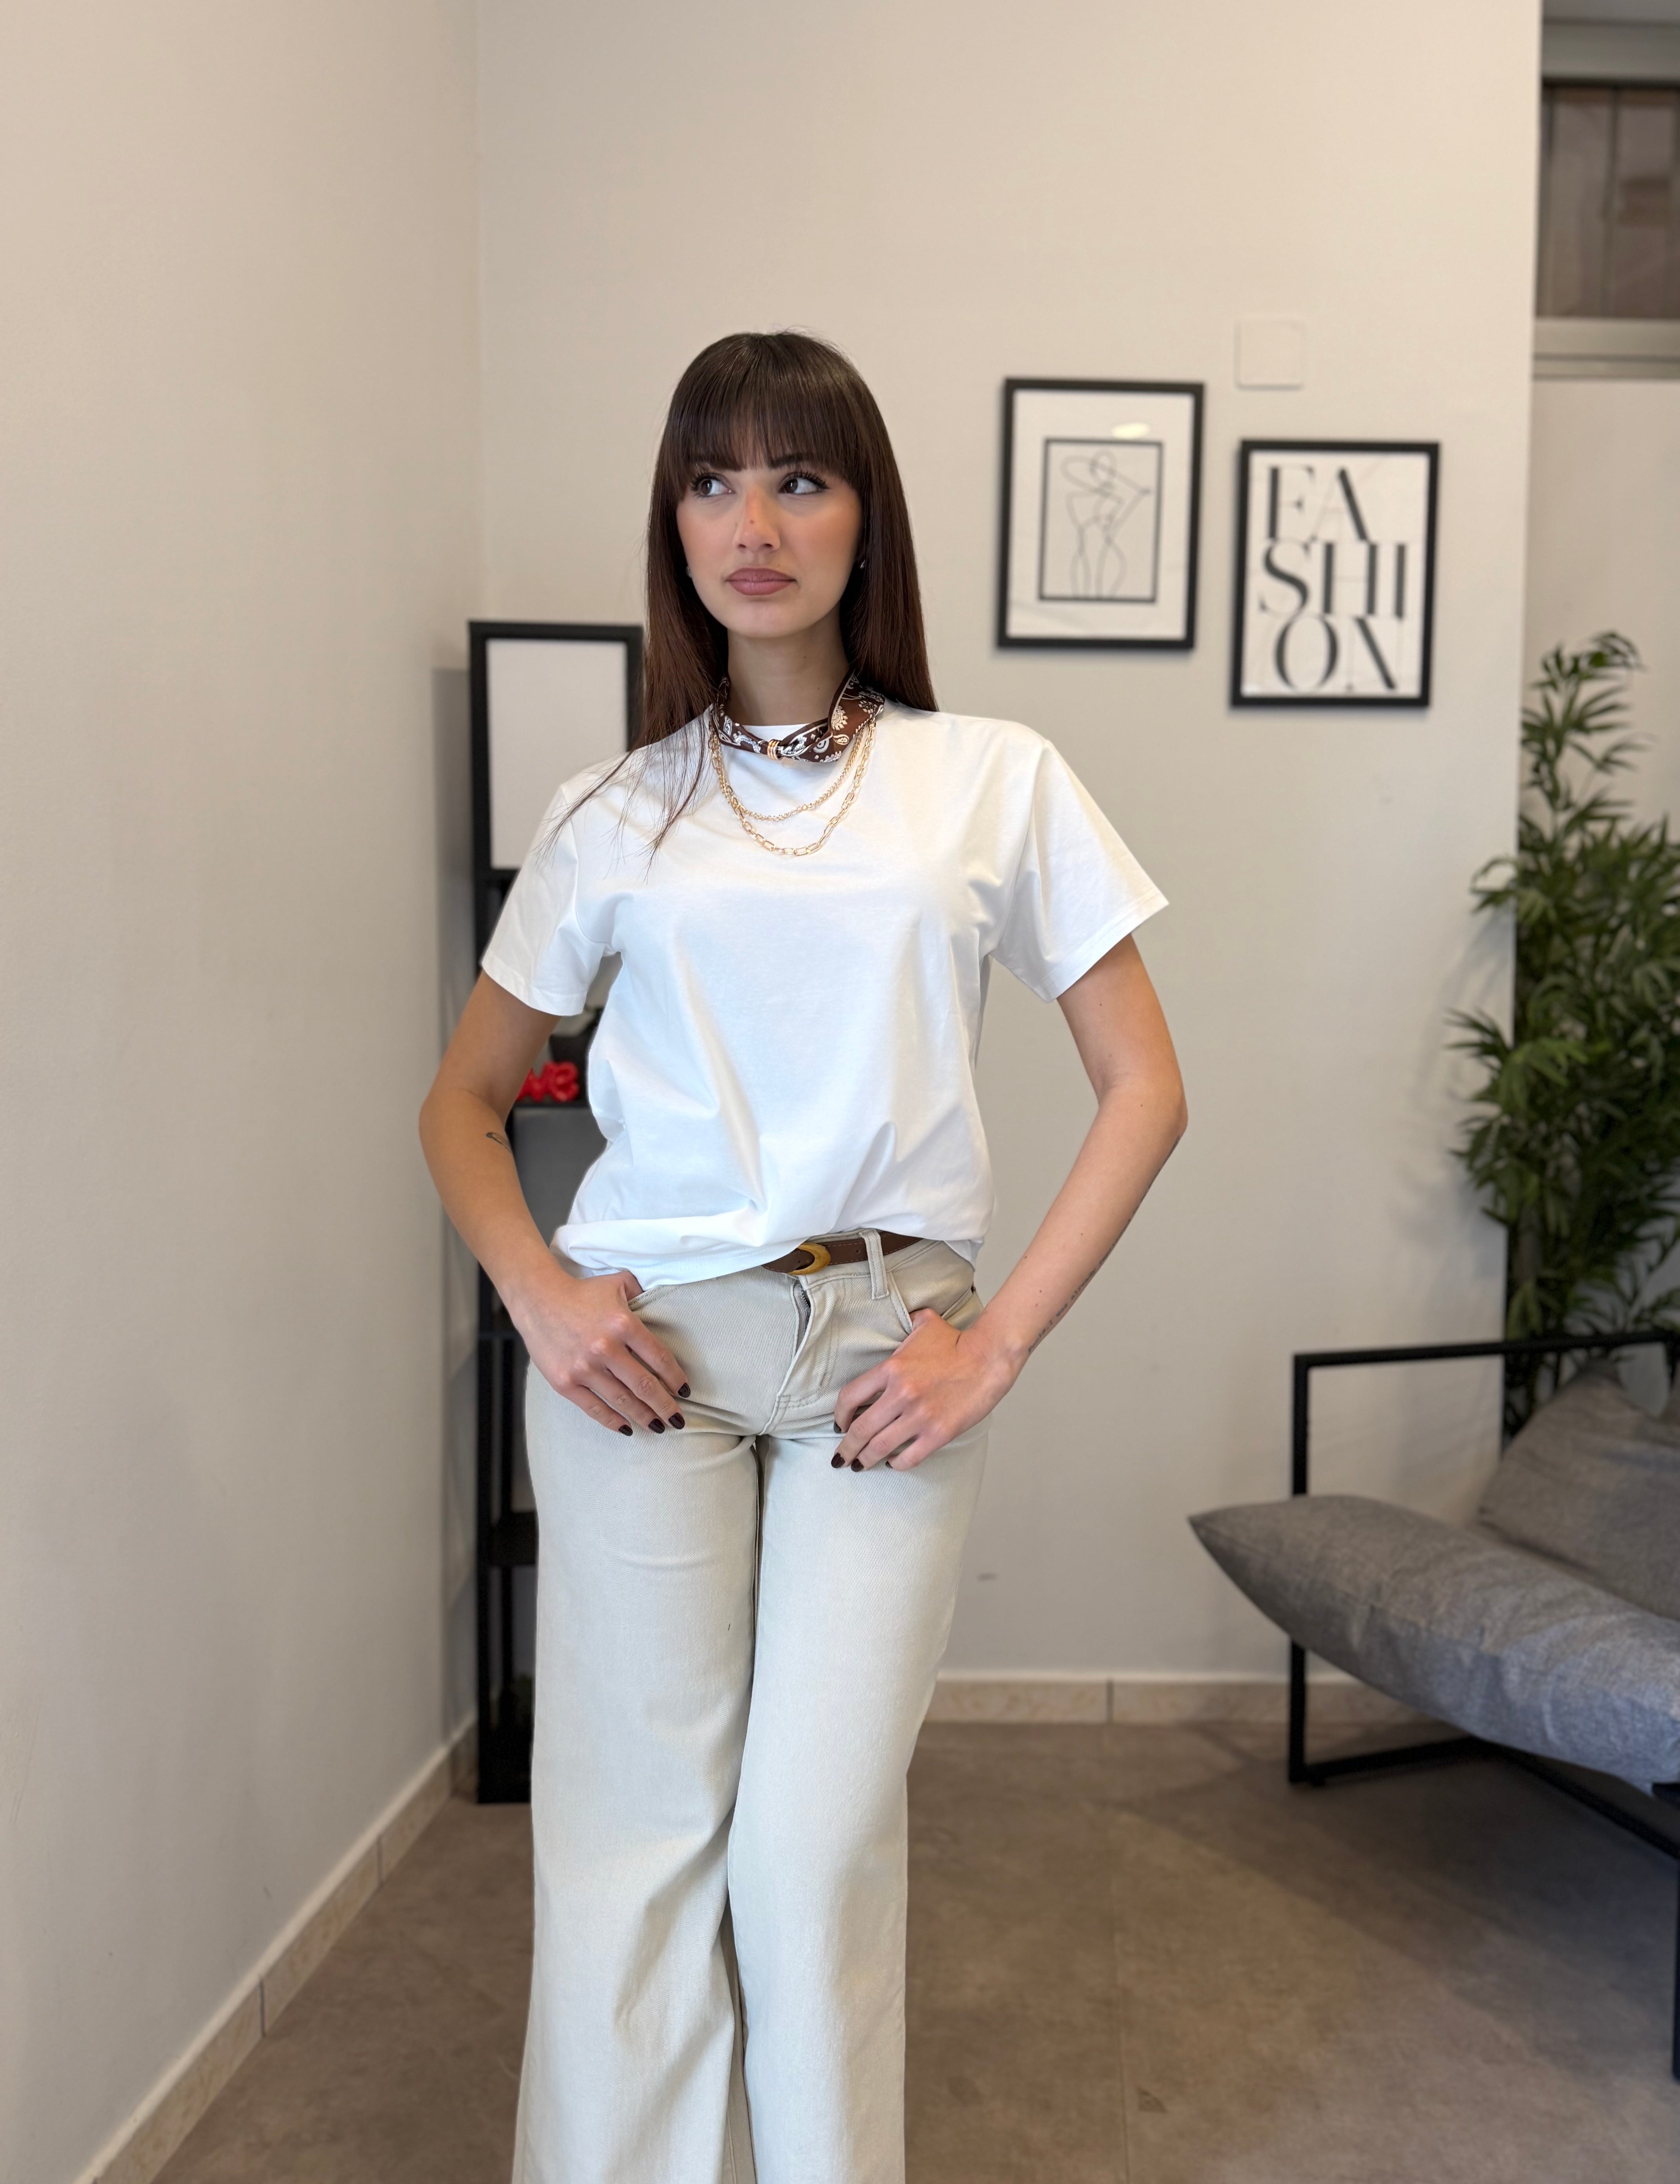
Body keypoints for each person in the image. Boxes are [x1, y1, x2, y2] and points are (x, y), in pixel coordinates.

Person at [419, 329, 1186, 2184]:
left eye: (798, 478)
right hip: (647, 1355)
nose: (751, 523)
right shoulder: (614, 810)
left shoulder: (988, 778)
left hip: (883, 1350)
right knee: (636, 1846)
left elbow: (1147, 1087)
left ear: (865, 518)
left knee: (808, 1846)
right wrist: (543, 1299)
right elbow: (459, 1103)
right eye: (712, 481)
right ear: (674, 523)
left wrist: (991, 1343)